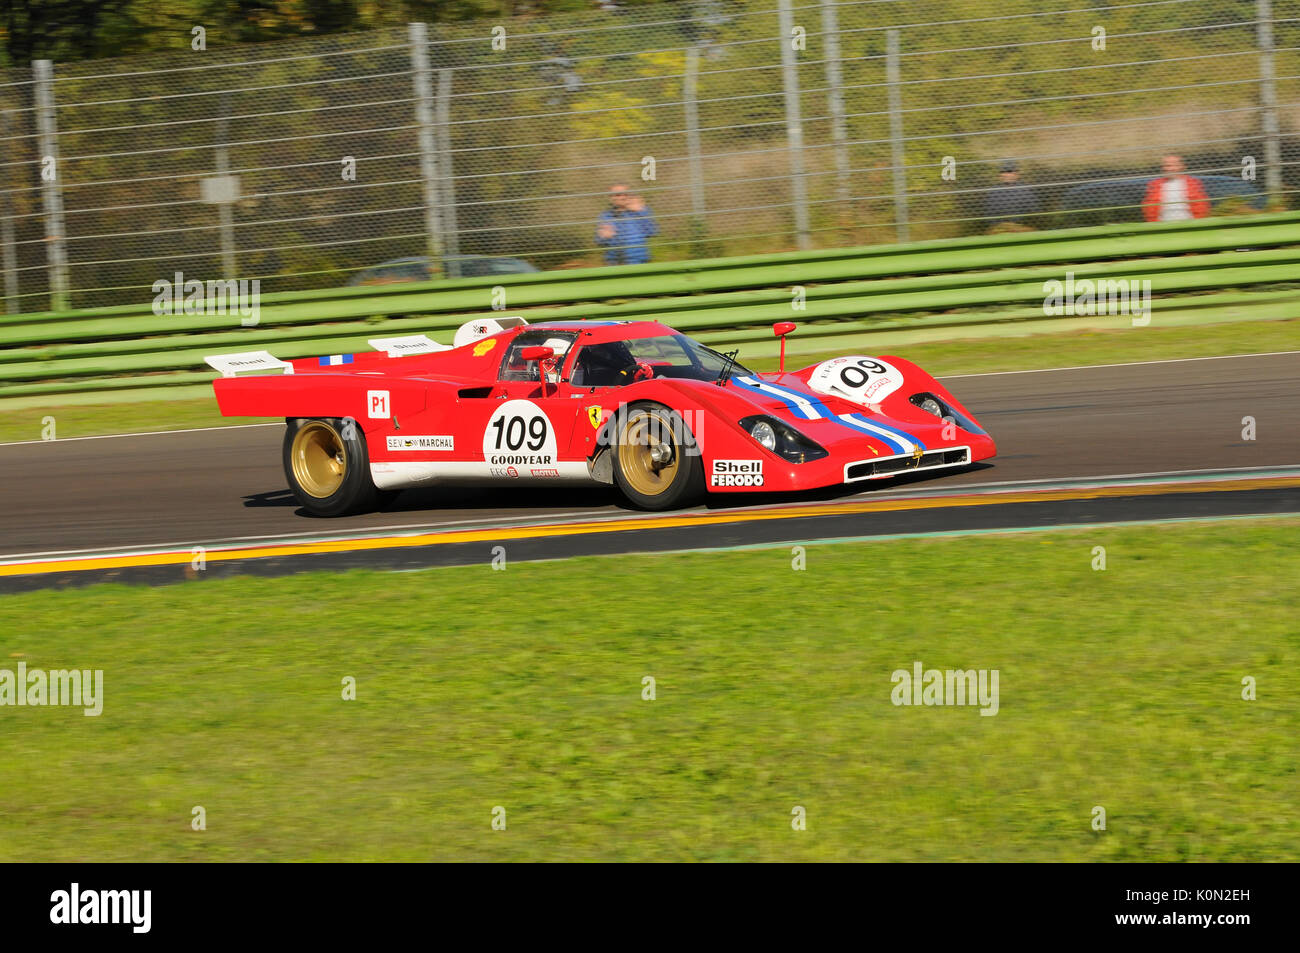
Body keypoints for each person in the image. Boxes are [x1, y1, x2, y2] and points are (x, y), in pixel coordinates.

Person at [595, 184, 658, 264]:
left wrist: (641, 212)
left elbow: (652, 232)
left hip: (638, 260)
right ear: (611, 197)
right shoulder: (606, 215)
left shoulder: (640, 211)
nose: (621, 197)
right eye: (617, 195)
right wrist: (604, 236)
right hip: (614, 261)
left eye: (625, 194)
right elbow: (598, 241)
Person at [1142, 155, 1211, 222]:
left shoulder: (1193, 183)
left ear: (1182, 167)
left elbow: (1201, 205)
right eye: (1167, 165)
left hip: (1189, 223)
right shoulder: (1155, 184)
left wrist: (1197, 223)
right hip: (1162, 225)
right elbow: (1148, 208)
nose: (1170, 169)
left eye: (1174, 165)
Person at [984, 160, 1041, 227]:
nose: (1005, 174)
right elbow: (988, 213)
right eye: (1002, 172)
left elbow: (1035, 211)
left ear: (1016, 174)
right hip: (999, 228)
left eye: (1009, 171)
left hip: (1021, 227)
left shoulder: (1026, 190)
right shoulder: (993, 191)